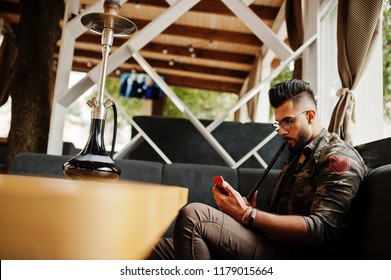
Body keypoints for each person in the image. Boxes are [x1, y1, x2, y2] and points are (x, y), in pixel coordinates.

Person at [149, 79, 367, 259]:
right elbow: (281, 216)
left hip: (299, 258)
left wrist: (248, 215)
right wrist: (248, 209)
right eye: (279, 123)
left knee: (194, 216)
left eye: (287, 122)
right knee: (150, 250)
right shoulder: (296, 153)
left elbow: (321, 230)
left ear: (310, 116)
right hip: (271, 244)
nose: (281, 131)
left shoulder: (337, 157)